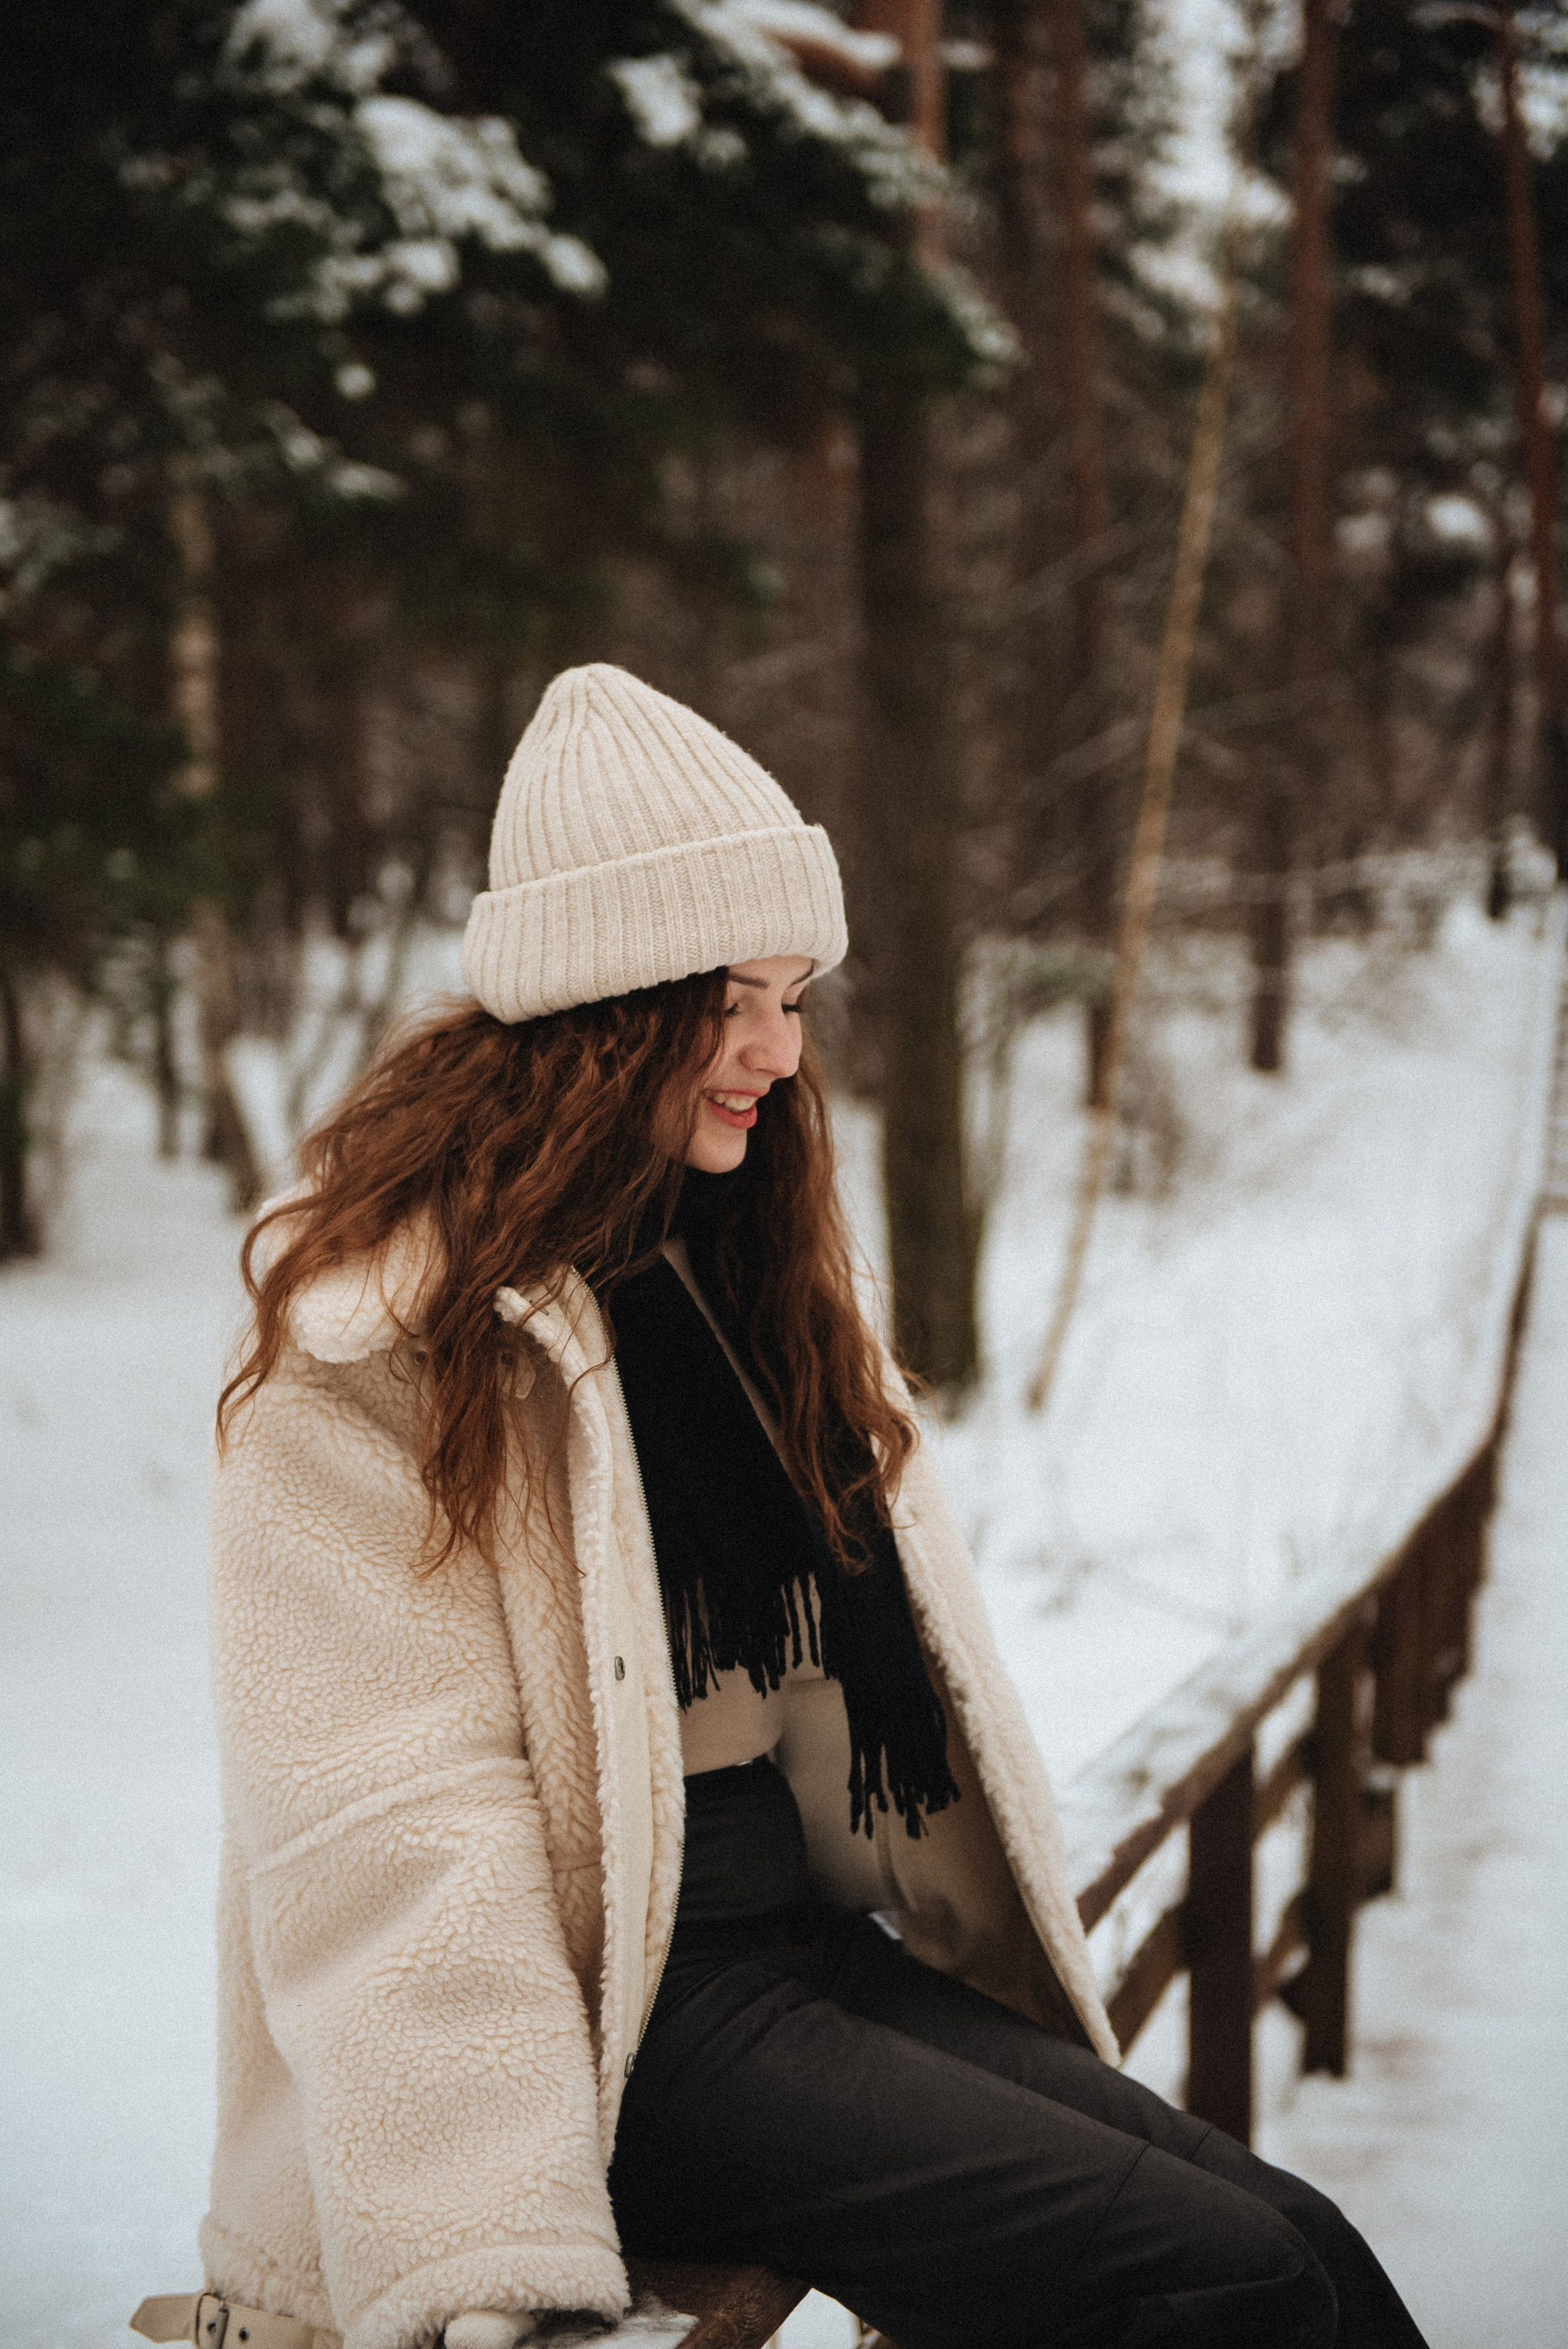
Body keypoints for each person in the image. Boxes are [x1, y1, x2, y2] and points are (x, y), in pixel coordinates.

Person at [183, 665, 1428, 2349]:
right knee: (1226, 2282)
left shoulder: (728, 1260)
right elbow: (387, 1835)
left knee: (1306, 2242)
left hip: (801, 1950)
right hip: (636, 2034)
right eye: (737, 998)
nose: (782, 1048)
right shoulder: (388, 1349)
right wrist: (483, 2235)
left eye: (795, 995)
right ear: (612, 1000)